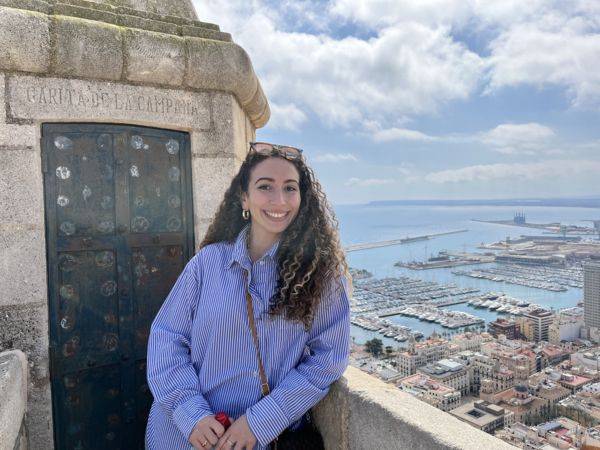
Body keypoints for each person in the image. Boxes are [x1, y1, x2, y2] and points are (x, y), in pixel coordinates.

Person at [145, 142, 351, 450]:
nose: (279, 199)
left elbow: (328, 360)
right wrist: (192, 415)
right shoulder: (208, 263)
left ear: (302, 198)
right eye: (265, 186)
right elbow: (167, 337)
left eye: (290, 188)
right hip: (180, 435)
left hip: (256, 441)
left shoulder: (321, 276)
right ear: (245, 196)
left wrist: (261, 421)